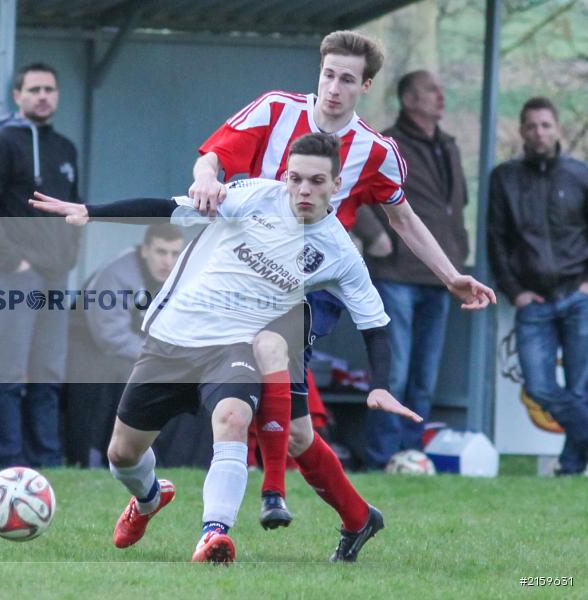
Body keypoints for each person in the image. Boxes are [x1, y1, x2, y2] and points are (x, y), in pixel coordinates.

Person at [31, 132, 423, 563]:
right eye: (296, 179)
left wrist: (381, 384)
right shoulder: (254, 195)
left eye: (316, 181)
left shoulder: (340, 253)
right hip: (173, 337)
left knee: (234, 419)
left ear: (336, 184)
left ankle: (214, 534)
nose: (304, 190)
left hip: (232, 347)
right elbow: (170, 207)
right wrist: (90, 212)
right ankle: (148, 497)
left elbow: (376, 322)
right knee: (122, 454)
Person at [189, 30, 495, 531]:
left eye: (347, 79)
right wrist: (205, 177)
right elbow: (214, 154)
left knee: (271, 347)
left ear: (366, 85)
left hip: (314, 287)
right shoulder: (275, 109)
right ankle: (358, 517)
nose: (333, 87)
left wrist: (451, 275)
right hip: (241, 275)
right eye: (328, 74)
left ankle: (268, 498)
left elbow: (404, 219)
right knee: (298, 432)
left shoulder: (376, 151)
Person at [353, 70, 470, 470]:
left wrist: (456, 257)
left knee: (424, 376)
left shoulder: (449, 147)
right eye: (430, 91)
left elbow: (456, 207)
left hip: (439, 277)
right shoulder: (387, 144)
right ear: (408, 100)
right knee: (396, 371)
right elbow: (352, 188)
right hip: (396, 274)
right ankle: (382, 457)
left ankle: (412, 455)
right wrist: (373, 234)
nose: (441, 96)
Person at [0, 62, 81, 468]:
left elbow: (76, 208)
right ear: (17, 96)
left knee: (49, 372)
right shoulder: (1, 144)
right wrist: (11, 259)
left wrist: (69, 254)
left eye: (49, 89)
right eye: (33, 89)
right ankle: (10, 461)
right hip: (16, 275)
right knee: (12, 372)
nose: (42, 96)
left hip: (56, 273)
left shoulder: (66, 149)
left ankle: (47, 460)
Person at [487, 97, 588, 476]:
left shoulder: (581, 175)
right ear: (522, 130)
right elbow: (496, 240)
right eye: (532, 126)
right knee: (540, 387)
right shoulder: (505, 178)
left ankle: (570, 466)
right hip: (532, 302)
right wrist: (515, 292)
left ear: (557, 128)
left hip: (577, 297)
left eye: (546, 125)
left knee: (580, 391)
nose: (539, 132)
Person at [64, 223, 184, 468]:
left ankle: (174, 461)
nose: (168, 261)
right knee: (127, 376)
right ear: (145, 250)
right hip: (88, 347)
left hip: (138, 351)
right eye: (161, 252)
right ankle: (98, 457)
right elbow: (110, 336)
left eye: (174, 254)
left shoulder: (179, 277)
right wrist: (158, 358)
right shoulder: (118, 274)